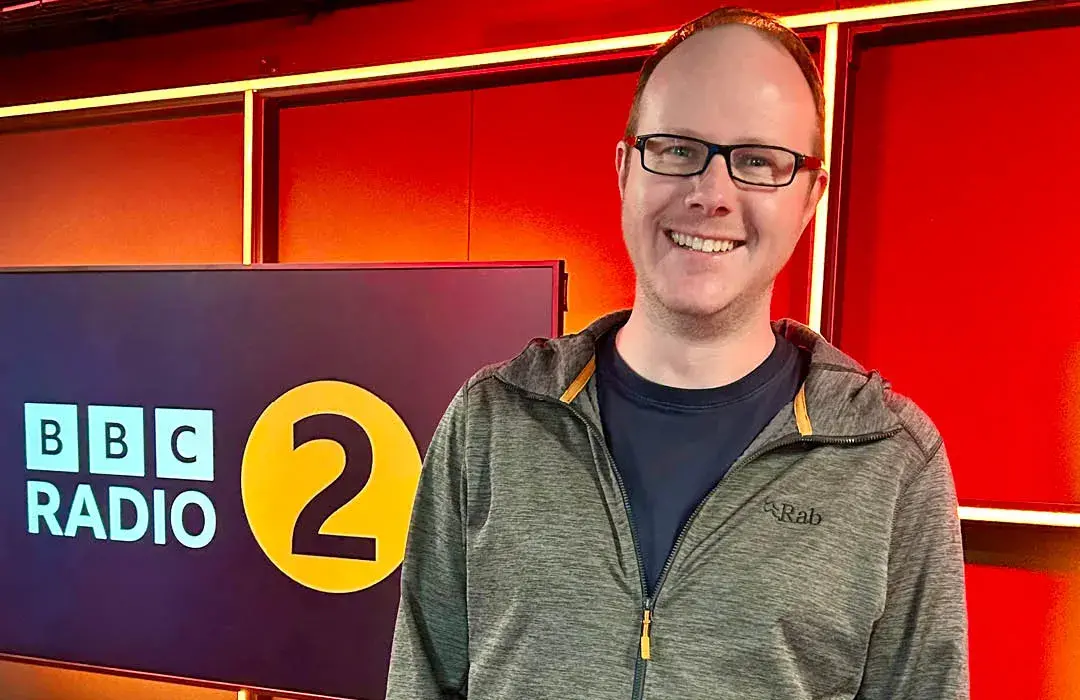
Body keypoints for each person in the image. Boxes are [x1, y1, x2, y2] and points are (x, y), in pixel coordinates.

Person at [386, 6, 969, 700]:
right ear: (625, 167)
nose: (711, 194)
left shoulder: (890, 460)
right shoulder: (492, 421)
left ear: (810, 197)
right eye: (677, 149)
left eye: (757, 162)